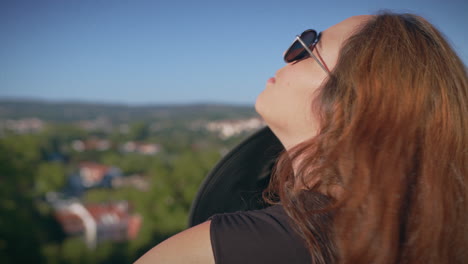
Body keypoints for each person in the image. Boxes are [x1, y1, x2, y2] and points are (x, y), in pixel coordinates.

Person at [135, 12, 468, 264]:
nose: (288, 54)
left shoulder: (244, 244)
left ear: (351, 102)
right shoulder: (428, 239)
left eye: (309, 46)